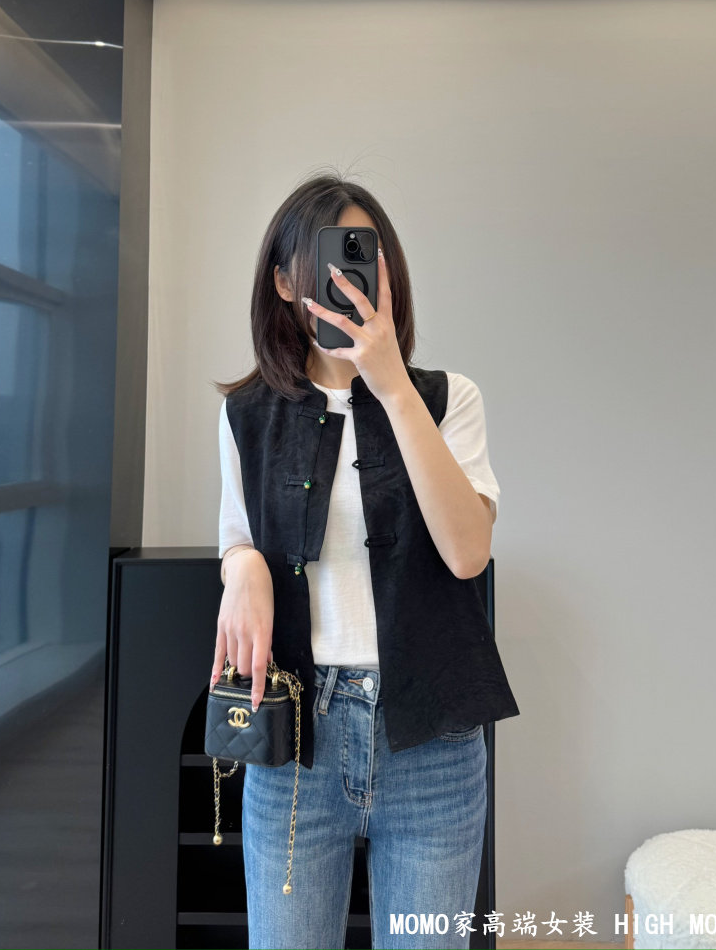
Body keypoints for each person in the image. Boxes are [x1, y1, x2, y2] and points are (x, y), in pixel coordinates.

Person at [211, 172, 519, 950]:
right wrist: (242, 566)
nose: (347, 278)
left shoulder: (449, 399)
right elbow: (238, 533)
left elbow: (468, 553)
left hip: (431, 742)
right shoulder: (247, 414)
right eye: (327, 259)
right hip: (295, 739)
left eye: (363, 256)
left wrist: (389, 385)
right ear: (286, 281)